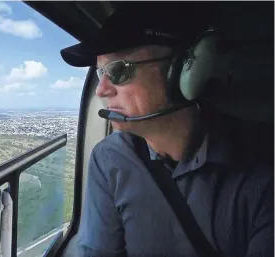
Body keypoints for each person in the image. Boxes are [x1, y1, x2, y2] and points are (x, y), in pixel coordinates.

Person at [60, 2, 273, 257]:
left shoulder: (261, 174)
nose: (101, 90)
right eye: (99, 73)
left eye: (118, 71)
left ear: (187, 69)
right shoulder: (109, 159)